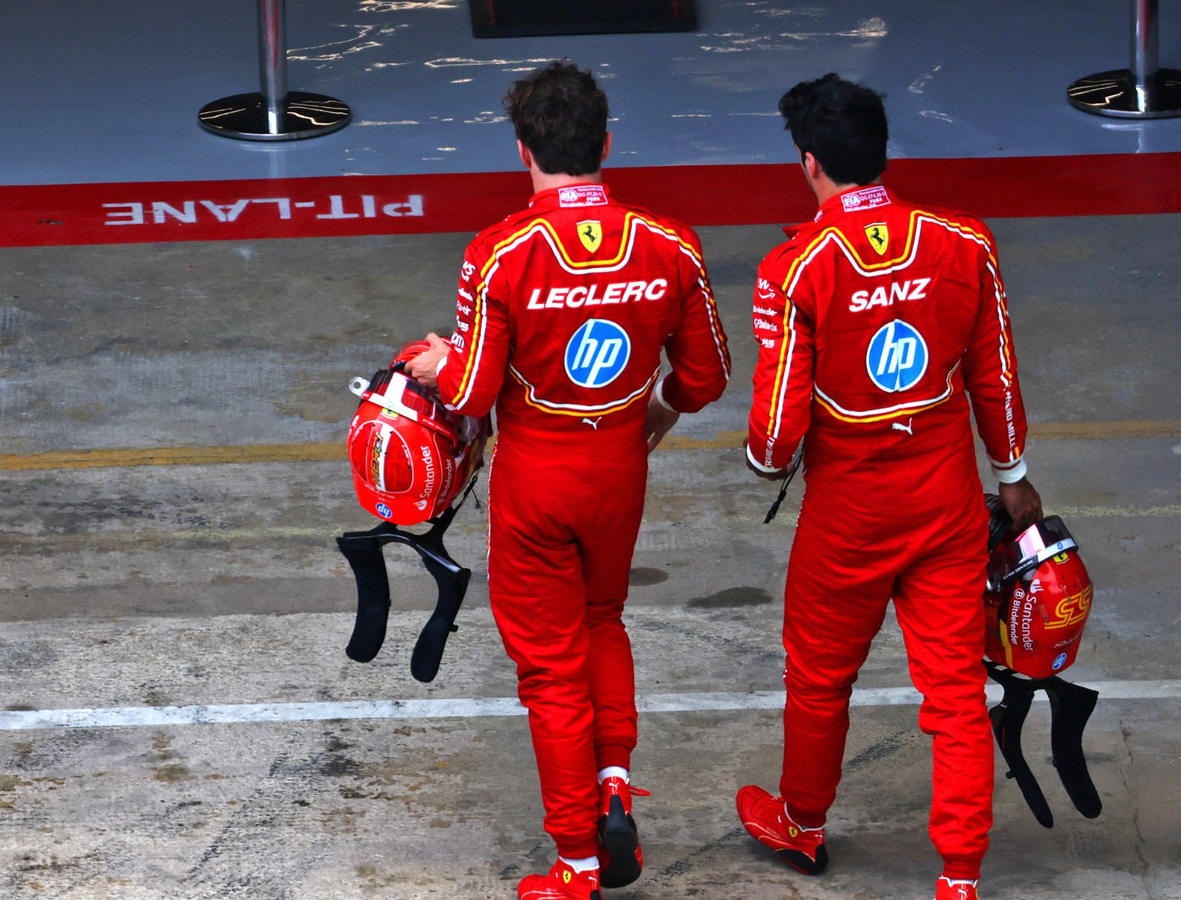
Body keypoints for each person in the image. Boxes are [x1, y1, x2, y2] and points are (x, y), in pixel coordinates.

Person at [405, 60, 730, 899]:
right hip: (620, 472)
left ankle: (577, 861)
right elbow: (706, 379)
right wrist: (656, 404)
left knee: (549, 669)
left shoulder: (498, 252)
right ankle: (615, 782)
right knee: (604, 622)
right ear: (607, 143)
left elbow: (473, 392)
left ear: (523, 152)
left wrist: (440, 362)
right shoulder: (672, 244)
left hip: (537, 483)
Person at [736, 73, 1042, 900]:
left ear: (809, 165)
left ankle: (801, 822)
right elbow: (996, 374)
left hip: (848, 520)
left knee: (819, 679)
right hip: (944, 505)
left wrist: (763, 461)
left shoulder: (795, 267)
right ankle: (961, 875)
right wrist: (1011, 478)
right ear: (881, 152)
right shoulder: (964, 241)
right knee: (954, 694)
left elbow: (775, 435)